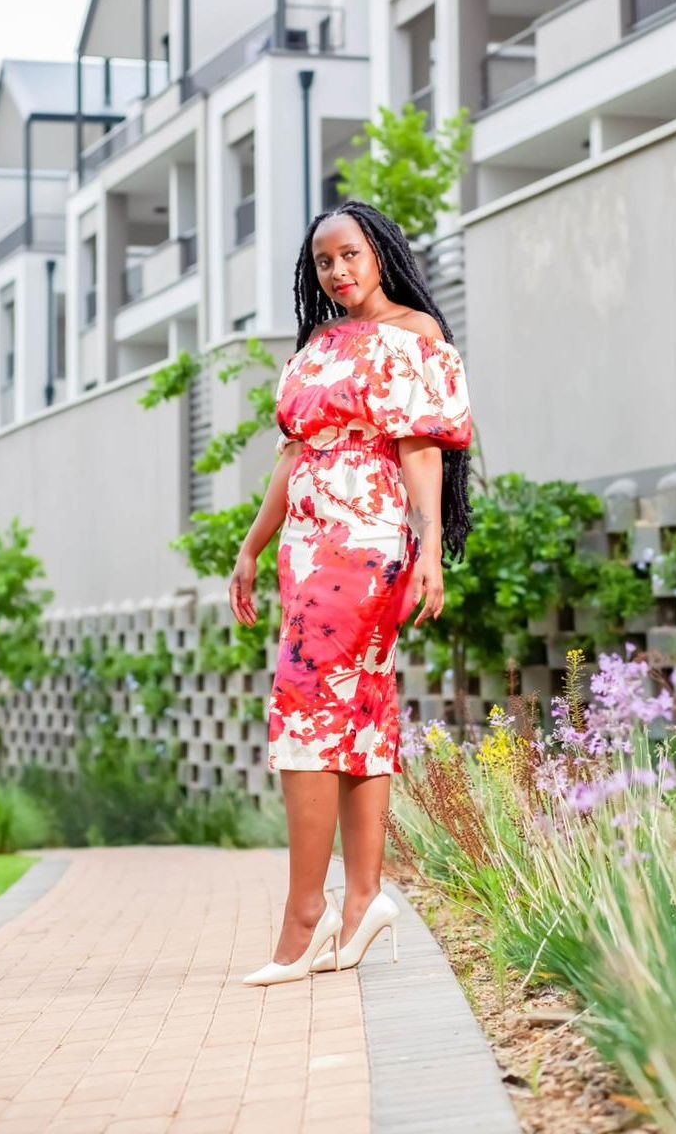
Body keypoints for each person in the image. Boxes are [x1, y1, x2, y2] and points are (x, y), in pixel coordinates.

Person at [228, 200, 474, 986]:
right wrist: (251, 545)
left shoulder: (414, 335)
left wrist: (430, 547)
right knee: (359, 710)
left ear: (381, 253)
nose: (337, 271)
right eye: (324, 261)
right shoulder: (318, 345)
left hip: (365, 544)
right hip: (308, 545)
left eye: (350, 255)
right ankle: (365, 897)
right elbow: (292, 458)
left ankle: (306, 916)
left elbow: (420, 449)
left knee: (303, 710)